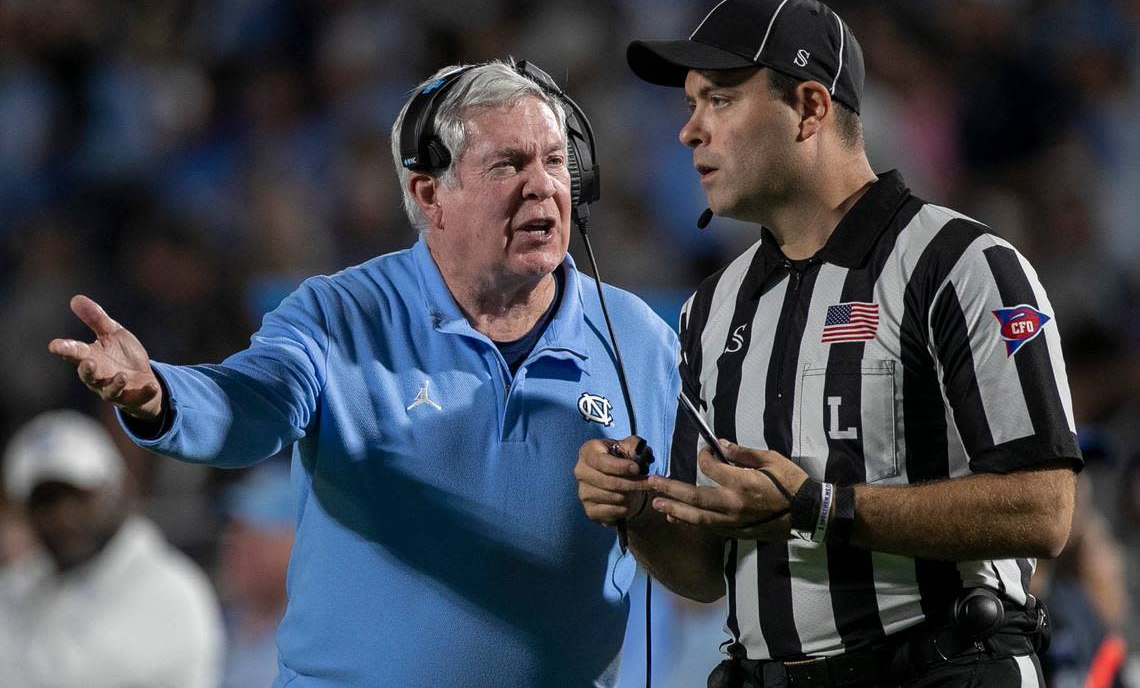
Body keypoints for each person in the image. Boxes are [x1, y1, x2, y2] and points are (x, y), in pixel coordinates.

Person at [49, 60, 679, 686]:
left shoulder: (638, 341)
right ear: (429, 193)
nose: (543, 186)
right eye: (508, 164)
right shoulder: (338, 314)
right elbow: (251, 402)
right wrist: (160, 395)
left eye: (553, 159)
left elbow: (694, 550)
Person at [576, 0, 1082, 687]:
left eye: (719, 99)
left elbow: (1045, 507)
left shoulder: (961, 263)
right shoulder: (709, 310)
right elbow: (704, 573)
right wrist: (640, 511)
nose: (690, 131)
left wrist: (821, 506)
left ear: (811, 107)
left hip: (945, 668)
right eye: (690, 105)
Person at [0, 409, 223, 688]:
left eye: (79, 496)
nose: (64, 517)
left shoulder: (168, 587)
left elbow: (62, 678)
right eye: (45, 502)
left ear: (116, 490)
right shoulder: (25, 578)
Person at [216, 463, 295, 688]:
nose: (234, 544)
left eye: (258, 535)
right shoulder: (211, 622)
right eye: (234, 529)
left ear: (295, 544)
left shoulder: (311, 648)